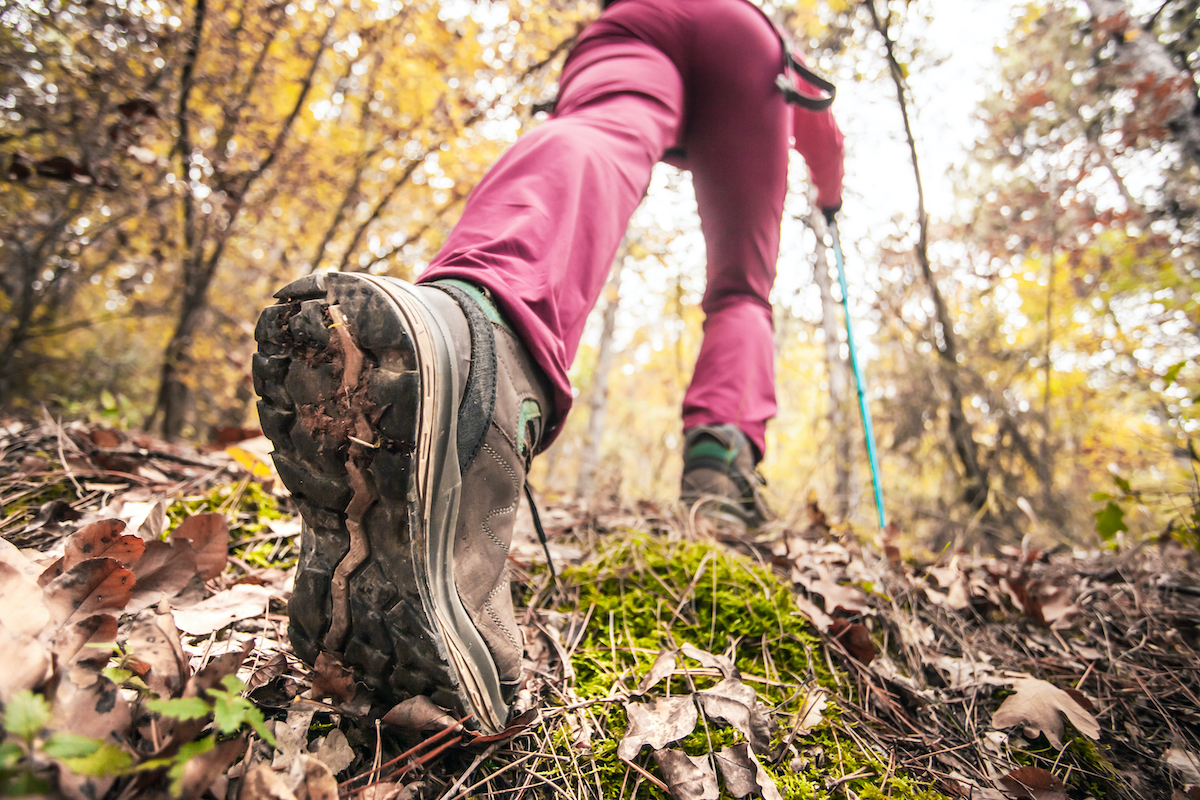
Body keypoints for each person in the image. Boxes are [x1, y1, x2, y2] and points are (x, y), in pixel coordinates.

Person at [253, 0, 844, 735]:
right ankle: (719, 475)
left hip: (638, 19)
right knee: (741, 287)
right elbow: (820, 128)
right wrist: (830, 191)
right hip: (745, 36)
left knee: (601, 132)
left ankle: (478, 337)